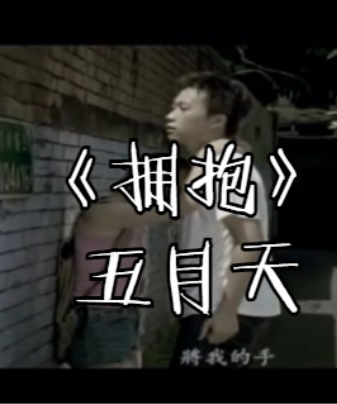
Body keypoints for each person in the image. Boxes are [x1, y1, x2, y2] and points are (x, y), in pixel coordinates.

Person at [164, 71, 280, 368]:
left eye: (183, 108)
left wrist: (228, 311)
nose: (170, 115)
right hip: (214, 304)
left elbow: (250, 242)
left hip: (225, 306)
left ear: (216, 121)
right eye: (173, 106)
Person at [63, 157, 193, 368]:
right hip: (100, 318)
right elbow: (185, 206)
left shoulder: (132, 216)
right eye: (180, 188)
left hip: (122, 315)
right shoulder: (107, 211)